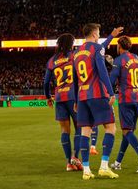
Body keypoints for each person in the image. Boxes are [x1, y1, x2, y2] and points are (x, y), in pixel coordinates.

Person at [74, 23, 123, 180]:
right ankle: (104, 166)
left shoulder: (77, 52)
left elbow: (75, 80)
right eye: (99, 33)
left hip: (82, 96)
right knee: (111, 128)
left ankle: (86, 170)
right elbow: (102, 71)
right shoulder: (96, 48)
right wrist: (110, 92)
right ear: (95, 34)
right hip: (97, 94)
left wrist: (76, 99)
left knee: (85, 131)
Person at [108, 36, 138, 173]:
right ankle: (117, 162)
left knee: (127, 131)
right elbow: (126, 70)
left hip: (126, 98)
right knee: (128, 132)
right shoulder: (136, 57)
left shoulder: (119, 60)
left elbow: (111, 79)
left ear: (119, 46)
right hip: (137, 97)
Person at [43, 33, 83, 172]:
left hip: (60, 98)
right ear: (71, 44)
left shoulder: (52, 60)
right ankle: (75, 157)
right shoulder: (75, 55)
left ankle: (69, 163)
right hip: (74, 97)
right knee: (80, 127)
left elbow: (46, 82)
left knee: (64, 130)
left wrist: (48, 97)